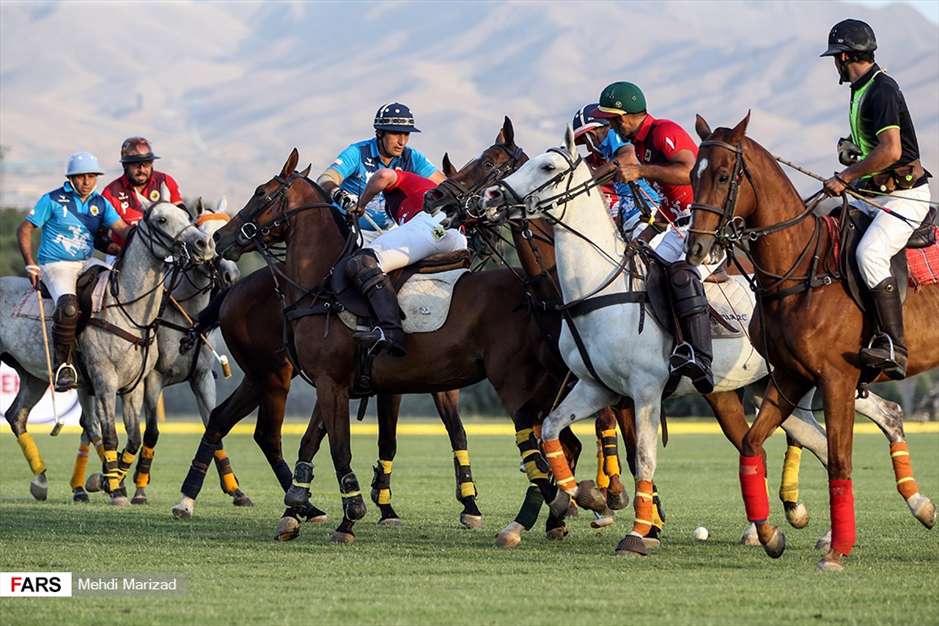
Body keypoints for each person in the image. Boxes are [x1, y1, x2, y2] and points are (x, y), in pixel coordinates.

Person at [820, 19, 933, 379]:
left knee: (869, 253)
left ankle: (893, 346)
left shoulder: (881, 89)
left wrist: (845, 176)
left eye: (836, 57)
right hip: (876, 195)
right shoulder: (861, 88)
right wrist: (854, 153)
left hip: (904, 198)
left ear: (846, 56)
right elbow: (877, 150)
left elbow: (891, 150)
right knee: (832, 232)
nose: (835, 64)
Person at [594, 82, 718, 393]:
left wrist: (641, 172)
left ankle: (700, 357)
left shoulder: (663, 131)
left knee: (681, 274)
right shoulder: (642, 143)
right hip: (677, 222)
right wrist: (650, 231)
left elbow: (690, 171)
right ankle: (665, 346)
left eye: (611, 120)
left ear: (624, 117)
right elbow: (668, 197)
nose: (611, 126)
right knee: (644, 268)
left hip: (706, 224)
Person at [17, 152, 132, 390]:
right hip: (56, 264)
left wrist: (147, 234)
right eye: (81, 177)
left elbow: (122, 229)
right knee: (68, 306)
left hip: (86, 262)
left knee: (116, 288)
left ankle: (103, 351)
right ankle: (63, 365)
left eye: (91, 176)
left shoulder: (100, 203)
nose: (87, 181)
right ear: (71, 178)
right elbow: (25, 229)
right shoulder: (52, 199)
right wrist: (30, 263)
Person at [342, 168, 467, 357]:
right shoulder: (420, 192)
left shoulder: (403, 177)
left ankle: (390, 331)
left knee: (362, 262)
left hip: (430, 224)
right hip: (455, 238)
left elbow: (383, 175)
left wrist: (361, 204)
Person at [315, 102, 445, 243]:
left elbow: (444, 185)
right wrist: (341, 197)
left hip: (389, 231)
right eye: (395, 133)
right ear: (379, 133)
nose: (402, 141)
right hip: (348, 229)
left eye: (406, 134)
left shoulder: (412, 157)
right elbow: (324, 180)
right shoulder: (357, 152)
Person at [571, 103, 661, 235]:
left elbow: (628, 156)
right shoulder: (608, 151)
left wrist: (587, 182)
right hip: (631, 219)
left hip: (646, 212)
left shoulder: (612, 134)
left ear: (592, 132)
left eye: (586, 142)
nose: (589, 149)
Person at [102, 137, 184, 250]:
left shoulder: (165, 181)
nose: (142, 170)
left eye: (146, 164)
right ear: (125, 165)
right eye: (136, 164)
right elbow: (101, 230)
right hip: (124, 252)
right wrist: (108, 245)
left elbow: (182, 214)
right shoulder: (110, 192)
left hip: (164, 250)